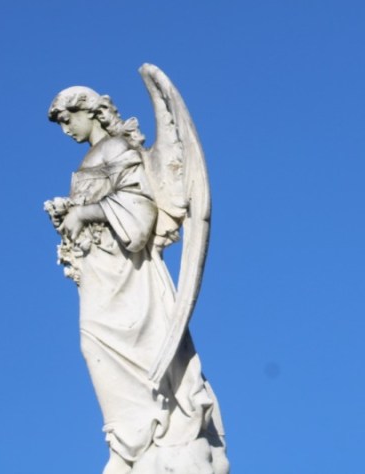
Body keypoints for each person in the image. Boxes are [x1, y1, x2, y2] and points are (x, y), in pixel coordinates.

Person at [47, 86, 228, 474]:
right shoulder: (92, 158)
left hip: (129, 279)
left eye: (67, 119)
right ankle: (126, 441)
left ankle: (148, 434)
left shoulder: (118, 148)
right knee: (93, 347)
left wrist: (85, 213)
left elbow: (140, 214)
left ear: (90, 112)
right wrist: (69, 214)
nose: (65, 129)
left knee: (124, 348)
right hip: (101, 275)